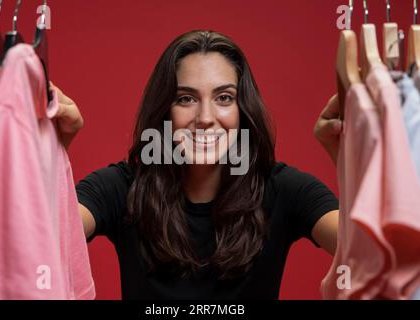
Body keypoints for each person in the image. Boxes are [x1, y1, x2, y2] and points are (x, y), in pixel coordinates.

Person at [50, 30, 342, 299]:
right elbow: (42, 242)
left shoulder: (285, 189)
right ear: (165, 110)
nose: (204, 117)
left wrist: (345, 160)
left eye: (224, 98)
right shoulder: (121, 186)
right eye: (186, 98)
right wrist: (52, 152)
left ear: (243, 110)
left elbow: (370, 256)